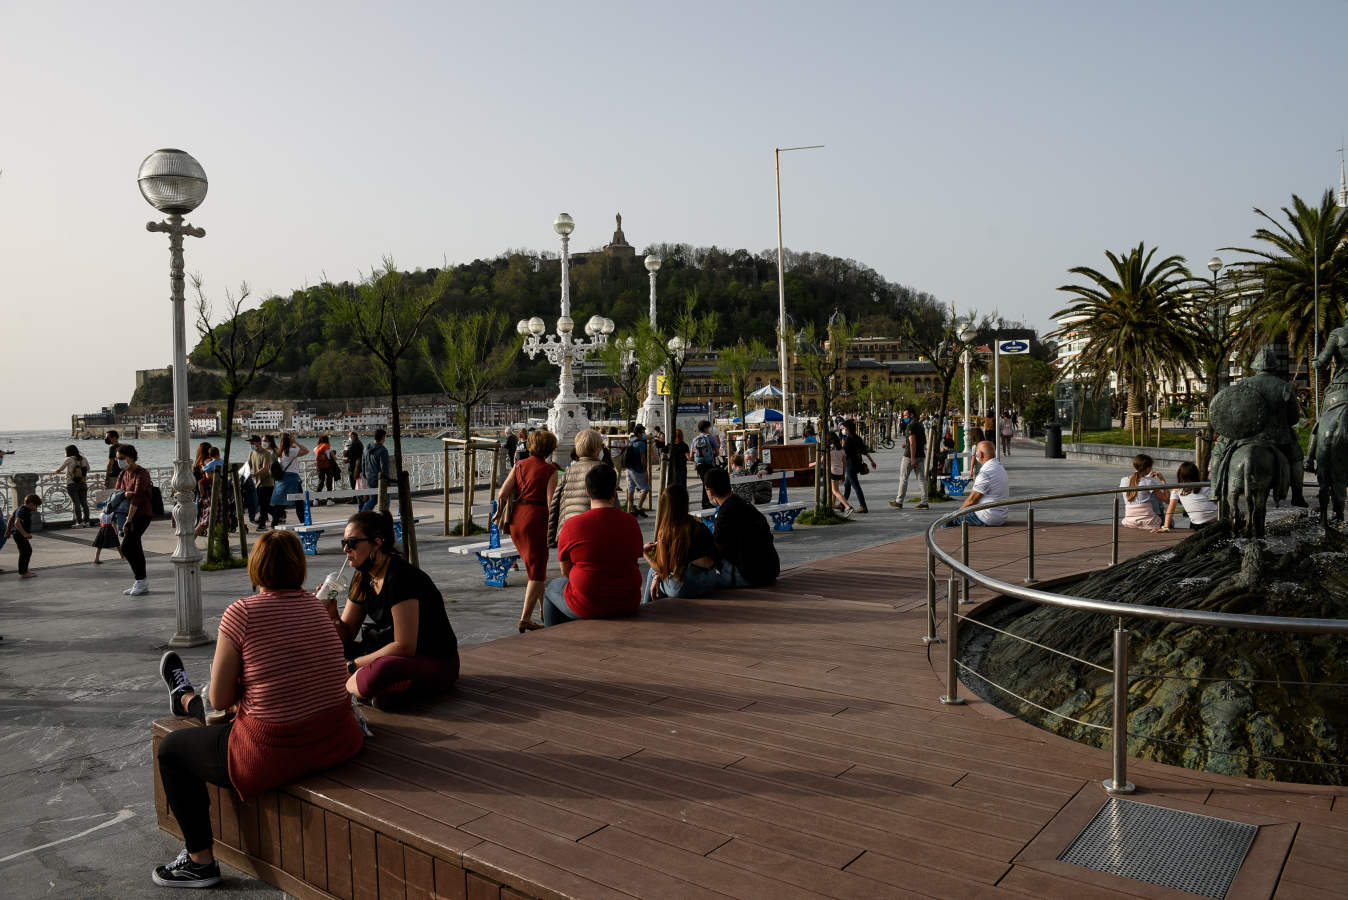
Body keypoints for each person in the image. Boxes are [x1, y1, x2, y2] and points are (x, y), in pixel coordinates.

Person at [152, 530, 363, 888]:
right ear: (299, 566)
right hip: (337, 738)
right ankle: (184, 697)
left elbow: (219, 700)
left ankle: (200, 862)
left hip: (273, 751)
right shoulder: (316, 606)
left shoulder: (242, 613)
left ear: (256, 567)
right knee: (233, 714)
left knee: (172, 749)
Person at [328, 511, 460, 707]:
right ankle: (378, 690)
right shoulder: (363, 576)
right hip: (393, 653)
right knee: (330, 652)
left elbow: (404, 646)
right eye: (344, 543)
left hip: (431, 658)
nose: (346, 549)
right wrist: (332, 614)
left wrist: (353, 664)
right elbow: (346, 636)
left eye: (352, 543)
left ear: (377, 543)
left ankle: (363, 685)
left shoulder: (400, 578)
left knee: (380, 670)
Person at [544, 464, 644, 626]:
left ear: (588, 492)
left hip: (588, 604)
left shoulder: (572, 525)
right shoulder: (631, 522)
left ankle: (555, 640)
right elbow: (635, 557)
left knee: (552, 588)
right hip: (628, 601)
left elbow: (565, 570)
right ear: (614, 492)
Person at [499, 429, 559, 631]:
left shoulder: (519, 465)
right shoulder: (550, 470)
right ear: (550, 448)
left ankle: (543, 610)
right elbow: (551, 503)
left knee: (535, 566)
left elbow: (503, 493)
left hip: (518, 519)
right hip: (536, 519)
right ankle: (525, 618)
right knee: (537, 572)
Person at [702, 467, 779, 587]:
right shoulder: (746, 506)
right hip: (770, 571)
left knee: (700, 577)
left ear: (710, 491)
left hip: (751, 576)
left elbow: (716, 550)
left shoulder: (725, 513)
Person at [643, 484, 721, 601]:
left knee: (653, 571)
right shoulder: (698, 524)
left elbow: (662, 569)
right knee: (659, 575)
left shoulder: (667, 531)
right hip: (709, 581)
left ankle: (648, 609)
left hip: (685, 587)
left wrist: (645, 554)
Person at [548, 429, 605, 549]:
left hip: (568, 528)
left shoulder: (569, 471)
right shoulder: (602, 469)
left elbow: (555, 502)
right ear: (597, 448)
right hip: (594, 528)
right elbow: (611, 501)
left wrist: (553, 535)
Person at [114, 444, 155, 595]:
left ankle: (141, 580)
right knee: (135, 547)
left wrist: (129, 519)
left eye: (122, 458)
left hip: (141, 514)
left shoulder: (141, 473)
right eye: (117, 459)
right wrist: (125, 494)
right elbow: (117, 493)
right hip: (125, 514)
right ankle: (141, 582)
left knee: (127, 547)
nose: (119, 461)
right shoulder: (123, 474)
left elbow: (136, 498)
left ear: (131, 457)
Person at [943, 441, 1009, 528]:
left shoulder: (986, 472)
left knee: (945, 519)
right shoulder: (999, 467)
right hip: (1001, 516)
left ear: (981, 454)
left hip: (987, 516)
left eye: (976, 453)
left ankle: (942, 541)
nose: (976, 456)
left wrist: (956, 514)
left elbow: (972, 500)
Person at [1157, 461, 1217, 532]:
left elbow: (1217, 503)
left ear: (1195, 479)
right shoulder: (1177, 490)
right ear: (1180, 479)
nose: (1187, 483)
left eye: (1189, 480)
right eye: (1184, 480)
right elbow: (1171, 508)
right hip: (1196, 524)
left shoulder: (1205, 487)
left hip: (1213, 523)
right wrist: (1166, 526)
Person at [890, 408, 929, 510]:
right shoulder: (920, 425)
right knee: (921, 479)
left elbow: (912, 442)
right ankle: (924, 502)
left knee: (903, 478)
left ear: (911, 415)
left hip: (910, 456)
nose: (904, 417)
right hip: (921, 454)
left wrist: (912, 458)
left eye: (906, 415)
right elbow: (920, 440)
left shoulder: (910, 425)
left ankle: (899, 501)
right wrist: (906, 443)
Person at [1119, 453, 1168, 530]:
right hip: (1148, 522)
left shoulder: (1123, 480)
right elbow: (1167, 500)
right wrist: (1162, 480)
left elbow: (1137, 483)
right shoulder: (1149, 483)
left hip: (1129, 521)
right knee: (1167, 519)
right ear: (1148, 469)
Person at [269, 432, 310, 525]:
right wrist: (296, 442)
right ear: (290, 439)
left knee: (281, 503)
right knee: (299, 502)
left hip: (282, 479)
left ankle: (274, 523)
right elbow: (306, 450)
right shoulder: (292, 451)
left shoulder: (280, 451)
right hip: (293, 479)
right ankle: (304, 522)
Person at [840, 419, 876, 514]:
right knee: (847, 485)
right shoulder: (858, 438)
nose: (842, 430)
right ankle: (842, 504)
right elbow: (864, 451)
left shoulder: (848, 440)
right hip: (857, 464)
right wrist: (872, 461)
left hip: (850, 465)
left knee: (856, 486)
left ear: (848, 429)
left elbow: (844, 454)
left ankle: (863, 506)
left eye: (843, 428)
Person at [52, 443, 92, 526]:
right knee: (84, 503)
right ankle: (87, 521)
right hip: (83, 483)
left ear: (68, 452)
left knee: (76, 503)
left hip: (72, 484)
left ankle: (80, 522)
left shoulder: (69, 459)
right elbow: (88, 469)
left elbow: (60, 469)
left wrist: (53, 471)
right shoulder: (83, 458)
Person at [6, 493, 42, 578]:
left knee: (27, 551)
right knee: (25, 552)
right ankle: (23, 572)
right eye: (36, 506)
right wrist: (24, 534)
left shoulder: (21, 508)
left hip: (18, 534)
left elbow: (11, 518)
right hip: (19, 535)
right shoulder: (24, 510)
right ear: (31, 504)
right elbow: (16, 522)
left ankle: (24, 570)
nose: (36, 509)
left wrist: (7, 531)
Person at [247, 435, 275, 529]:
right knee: (262, 504)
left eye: (252, 442)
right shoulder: (252, 453)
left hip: (267, 482)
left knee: (263, 504)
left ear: (258, 443)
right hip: (258, 483)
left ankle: (262, 524)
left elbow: (265, 468)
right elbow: (248, 465)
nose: (251, 444)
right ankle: (279, 514)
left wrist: (254, 474)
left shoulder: (266, 453)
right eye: (250, 443)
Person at [622, 424, 651, 516]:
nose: (644, 434)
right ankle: (639, 507)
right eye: (643, 432)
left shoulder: (631, 441)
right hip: (638, 469)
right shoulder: (641, 443)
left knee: (631, 489)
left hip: (629, 469)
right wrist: (646, 471)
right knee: (646, 488)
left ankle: (630, 509)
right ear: (639, 433)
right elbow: (643, 458)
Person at [359, 429, 389, 513]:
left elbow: (363, 463)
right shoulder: (383, 450)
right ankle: (363, 516)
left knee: (373, 498)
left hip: (369, 477)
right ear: (383, 437)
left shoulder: (366, 448)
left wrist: (365, 474)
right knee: (378, 499)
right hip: (378, 479)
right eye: (385, 437)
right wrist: (386, 479)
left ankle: (363, 515)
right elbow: (384, 467)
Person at [692, 420, 718, 508]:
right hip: (709, 464)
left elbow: (692, 455)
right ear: (706, 428)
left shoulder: (695, 439)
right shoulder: (711, 438)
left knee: (705, 483)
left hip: (699, 465)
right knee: (709, 483)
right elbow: (717, 452)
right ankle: (709, 502)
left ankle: (705, 503)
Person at [827, 433, 854, 516]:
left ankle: (848, 507)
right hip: (839, 472)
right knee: (834, 490)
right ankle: (832, 505)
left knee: (835, 491)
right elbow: (844, 463)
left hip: (832, 471)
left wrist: (811, 464)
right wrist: (843, 475)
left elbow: (821, 460)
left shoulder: (829, 449)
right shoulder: (841, 449)